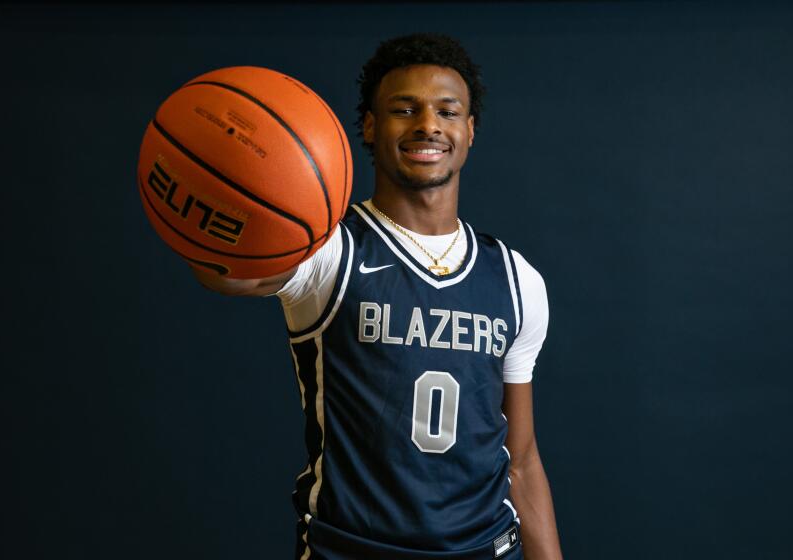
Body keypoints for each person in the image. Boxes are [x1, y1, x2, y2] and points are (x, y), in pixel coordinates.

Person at [191, 33, 563, 560]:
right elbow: (234, 275)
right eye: (404, 109)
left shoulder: (515, 278)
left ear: (470, 130)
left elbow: (520, 458)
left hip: (483, 549)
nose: (428, 125)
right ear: (368, 126)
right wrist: (203, 194)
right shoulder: (328, 251)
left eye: (447, 111)